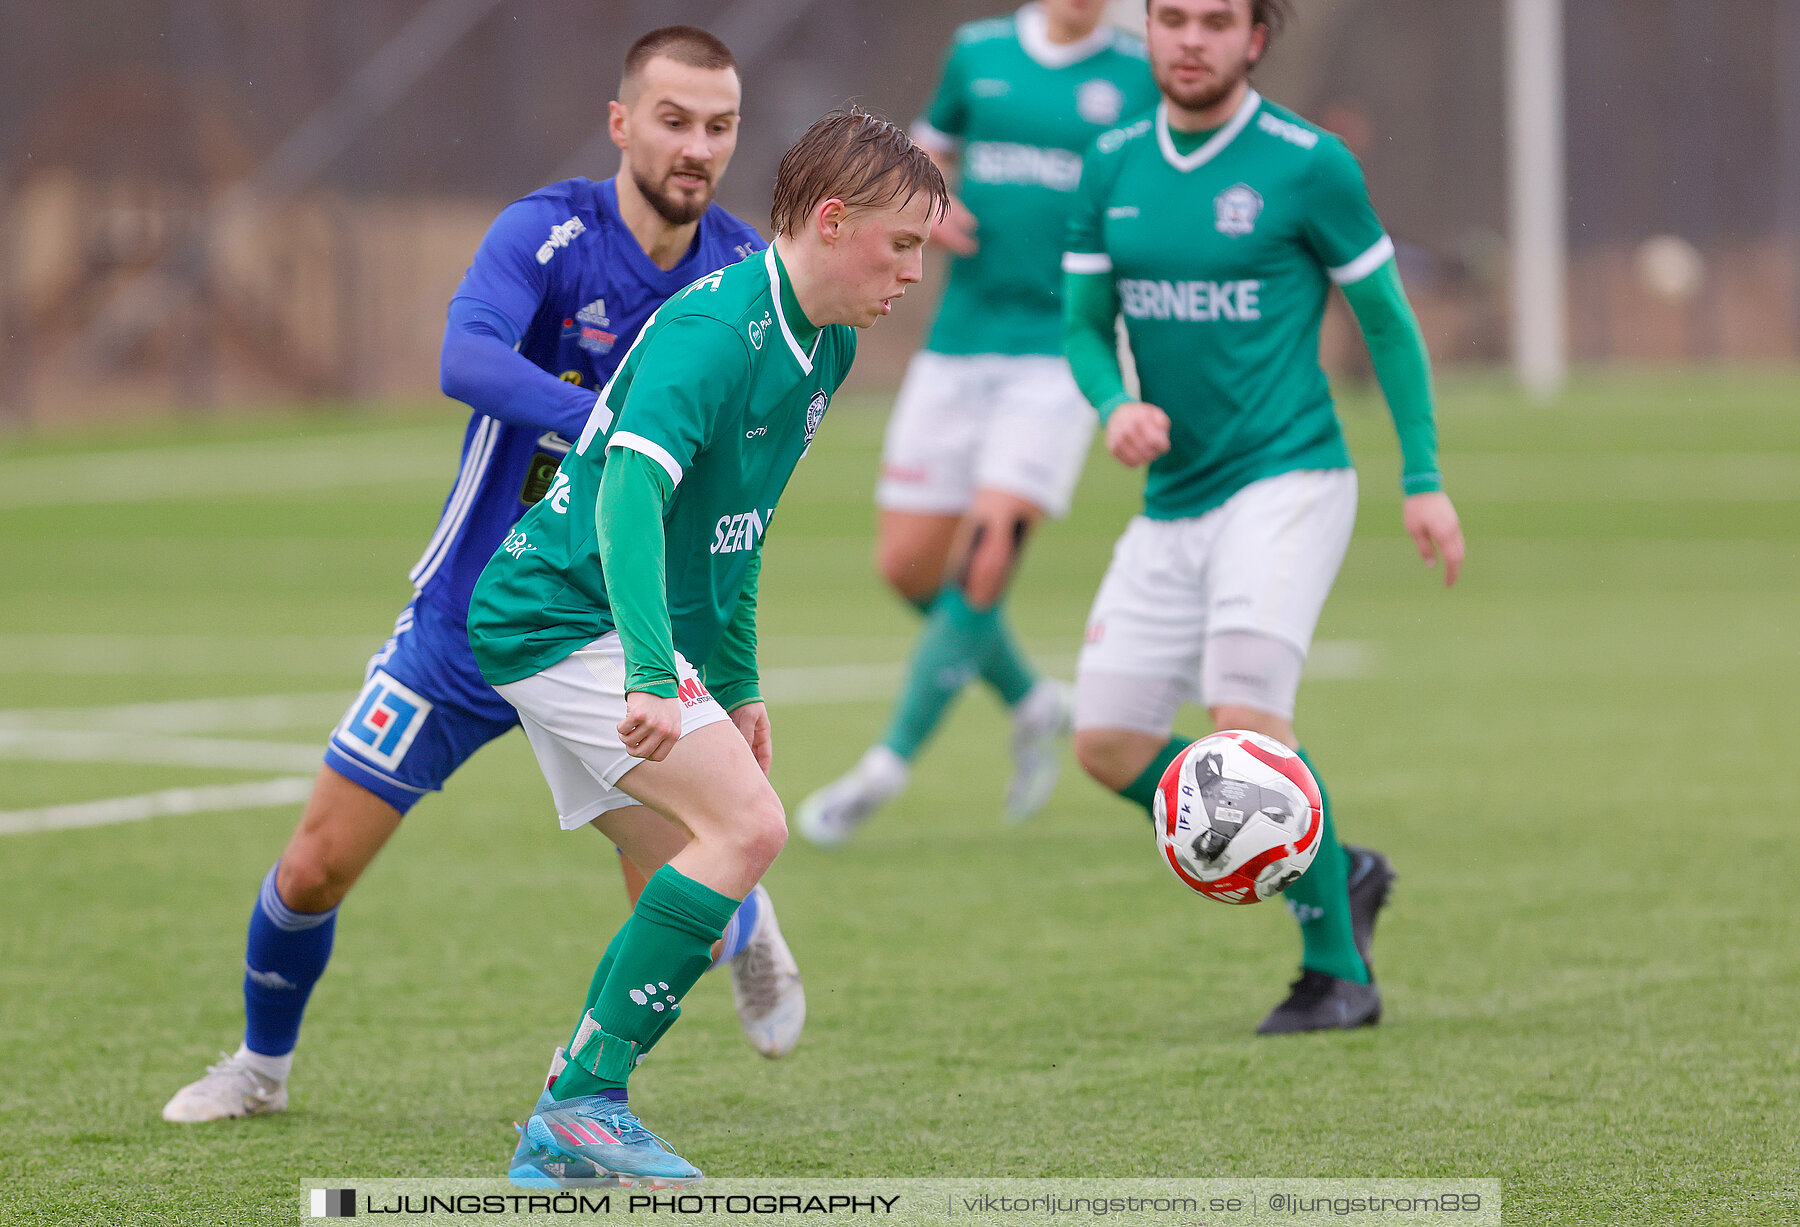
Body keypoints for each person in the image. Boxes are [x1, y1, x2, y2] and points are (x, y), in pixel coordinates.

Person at [161, 27, 806, 1130]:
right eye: (673, 119)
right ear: (621, 122)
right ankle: (259, 1070)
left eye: (720, 126)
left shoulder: (740, 276)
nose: (697, 146)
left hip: (611, 630)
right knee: (315, 864)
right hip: (469, 619)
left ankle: (738, 929)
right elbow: (467, 360)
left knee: (689, 882)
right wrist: (611, 426)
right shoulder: (550, 234)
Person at [466, 107, 946, 1187]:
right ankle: (577, 1107)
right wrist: (649, 670)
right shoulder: (711, 332)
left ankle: (574, 1117)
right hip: (561, 612)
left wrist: (736, 683)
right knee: (748, 828)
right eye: (903, 243)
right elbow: (629, 501)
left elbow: (740, 525)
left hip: (582, 619)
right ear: (832, 222)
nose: (915, 271)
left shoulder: (827, 344)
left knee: (696, 850)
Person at [1061, 0, 1465, 1034]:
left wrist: (1423, 478)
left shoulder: (1307, 163)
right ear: (1146, 31)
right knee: (1107, 743)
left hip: (1289, 481)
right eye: (1171, 19)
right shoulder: (1108, 165)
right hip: (1172, 500)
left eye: (1216, 21)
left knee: (1246, 730)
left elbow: (1387, 320)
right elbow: (1080, 325)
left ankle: (1340, 975)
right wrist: (1115, 407)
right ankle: (1337, 863)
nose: (1190, 39)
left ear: (1255, 40)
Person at [796, 1, 1158, 845]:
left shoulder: (1139, 76)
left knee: (984, 562)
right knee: (910, 568)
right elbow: (924, 161)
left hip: (1061, 353)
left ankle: (882, 770)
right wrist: (935, 204)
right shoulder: (979, 53)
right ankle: (1034, 702)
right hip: (959, 344)